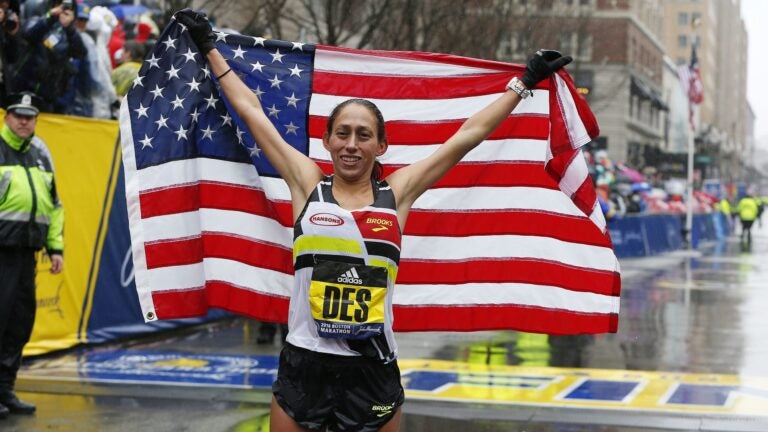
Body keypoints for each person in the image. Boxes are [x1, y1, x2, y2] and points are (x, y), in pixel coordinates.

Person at [176, 9, 571, 431]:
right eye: (342, 133)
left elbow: (466, 137)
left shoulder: (397, 194)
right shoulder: (306, 183)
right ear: (326, 141)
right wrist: (208, 47)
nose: (351, 144)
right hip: (304, 364)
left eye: (363, 135)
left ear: (381, 145)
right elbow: (251, 113)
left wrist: (524, 83)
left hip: (371, 370)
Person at [0, 91, 64, 419]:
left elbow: (54, 206)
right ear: (7, 117)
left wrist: (55, 247)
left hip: (28, 253)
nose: (24, 121)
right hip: (1, 252)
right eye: (18, 115)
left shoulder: (41, 152)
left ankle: (5, 389)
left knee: (19, 324)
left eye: (30, 116)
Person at [9, 0, 86, 113]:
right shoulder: (37, 19)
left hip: (48, 95)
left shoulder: (69, 33)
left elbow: (80, 52)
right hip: (22, 87)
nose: (61, 9)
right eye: (57, 5)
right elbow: (28, 34)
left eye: (65, 7)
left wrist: (69, 28)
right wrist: (51, 17)